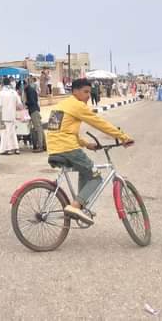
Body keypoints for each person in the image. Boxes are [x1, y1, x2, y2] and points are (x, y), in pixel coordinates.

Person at [47, 78, 135, 224]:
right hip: (68, 148)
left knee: (85, 171)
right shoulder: (77, 105)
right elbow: (99, 123)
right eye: (85, 92)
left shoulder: (62, 105)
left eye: (89, 92)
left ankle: (80, 205)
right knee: (96, 177)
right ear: (75, 91)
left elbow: (63, 131)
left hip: (54, 147)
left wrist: (86, 144)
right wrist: (123, 137)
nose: (88, 96)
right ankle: (75, 206)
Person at [0, 77, 23, 155]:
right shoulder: (14, 92)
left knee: (5, 133)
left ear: (2, 83)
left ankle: (8, 149)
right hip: (12, 115)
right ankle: (16, 148)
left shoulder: (0, 93)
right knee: (12, 132)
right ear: (10, 83)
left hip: (4, 115)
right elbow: (19, 104)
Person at [25, 78, 45, 152]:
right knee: (40, 128)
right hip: (35, 110)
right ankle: (43, 145)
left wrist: (26, 103)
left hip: (34, 111)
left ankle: (40, 146)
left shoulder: (30, 91)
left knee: (38, 128)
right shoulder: (30, 90)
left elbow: (32, 101)